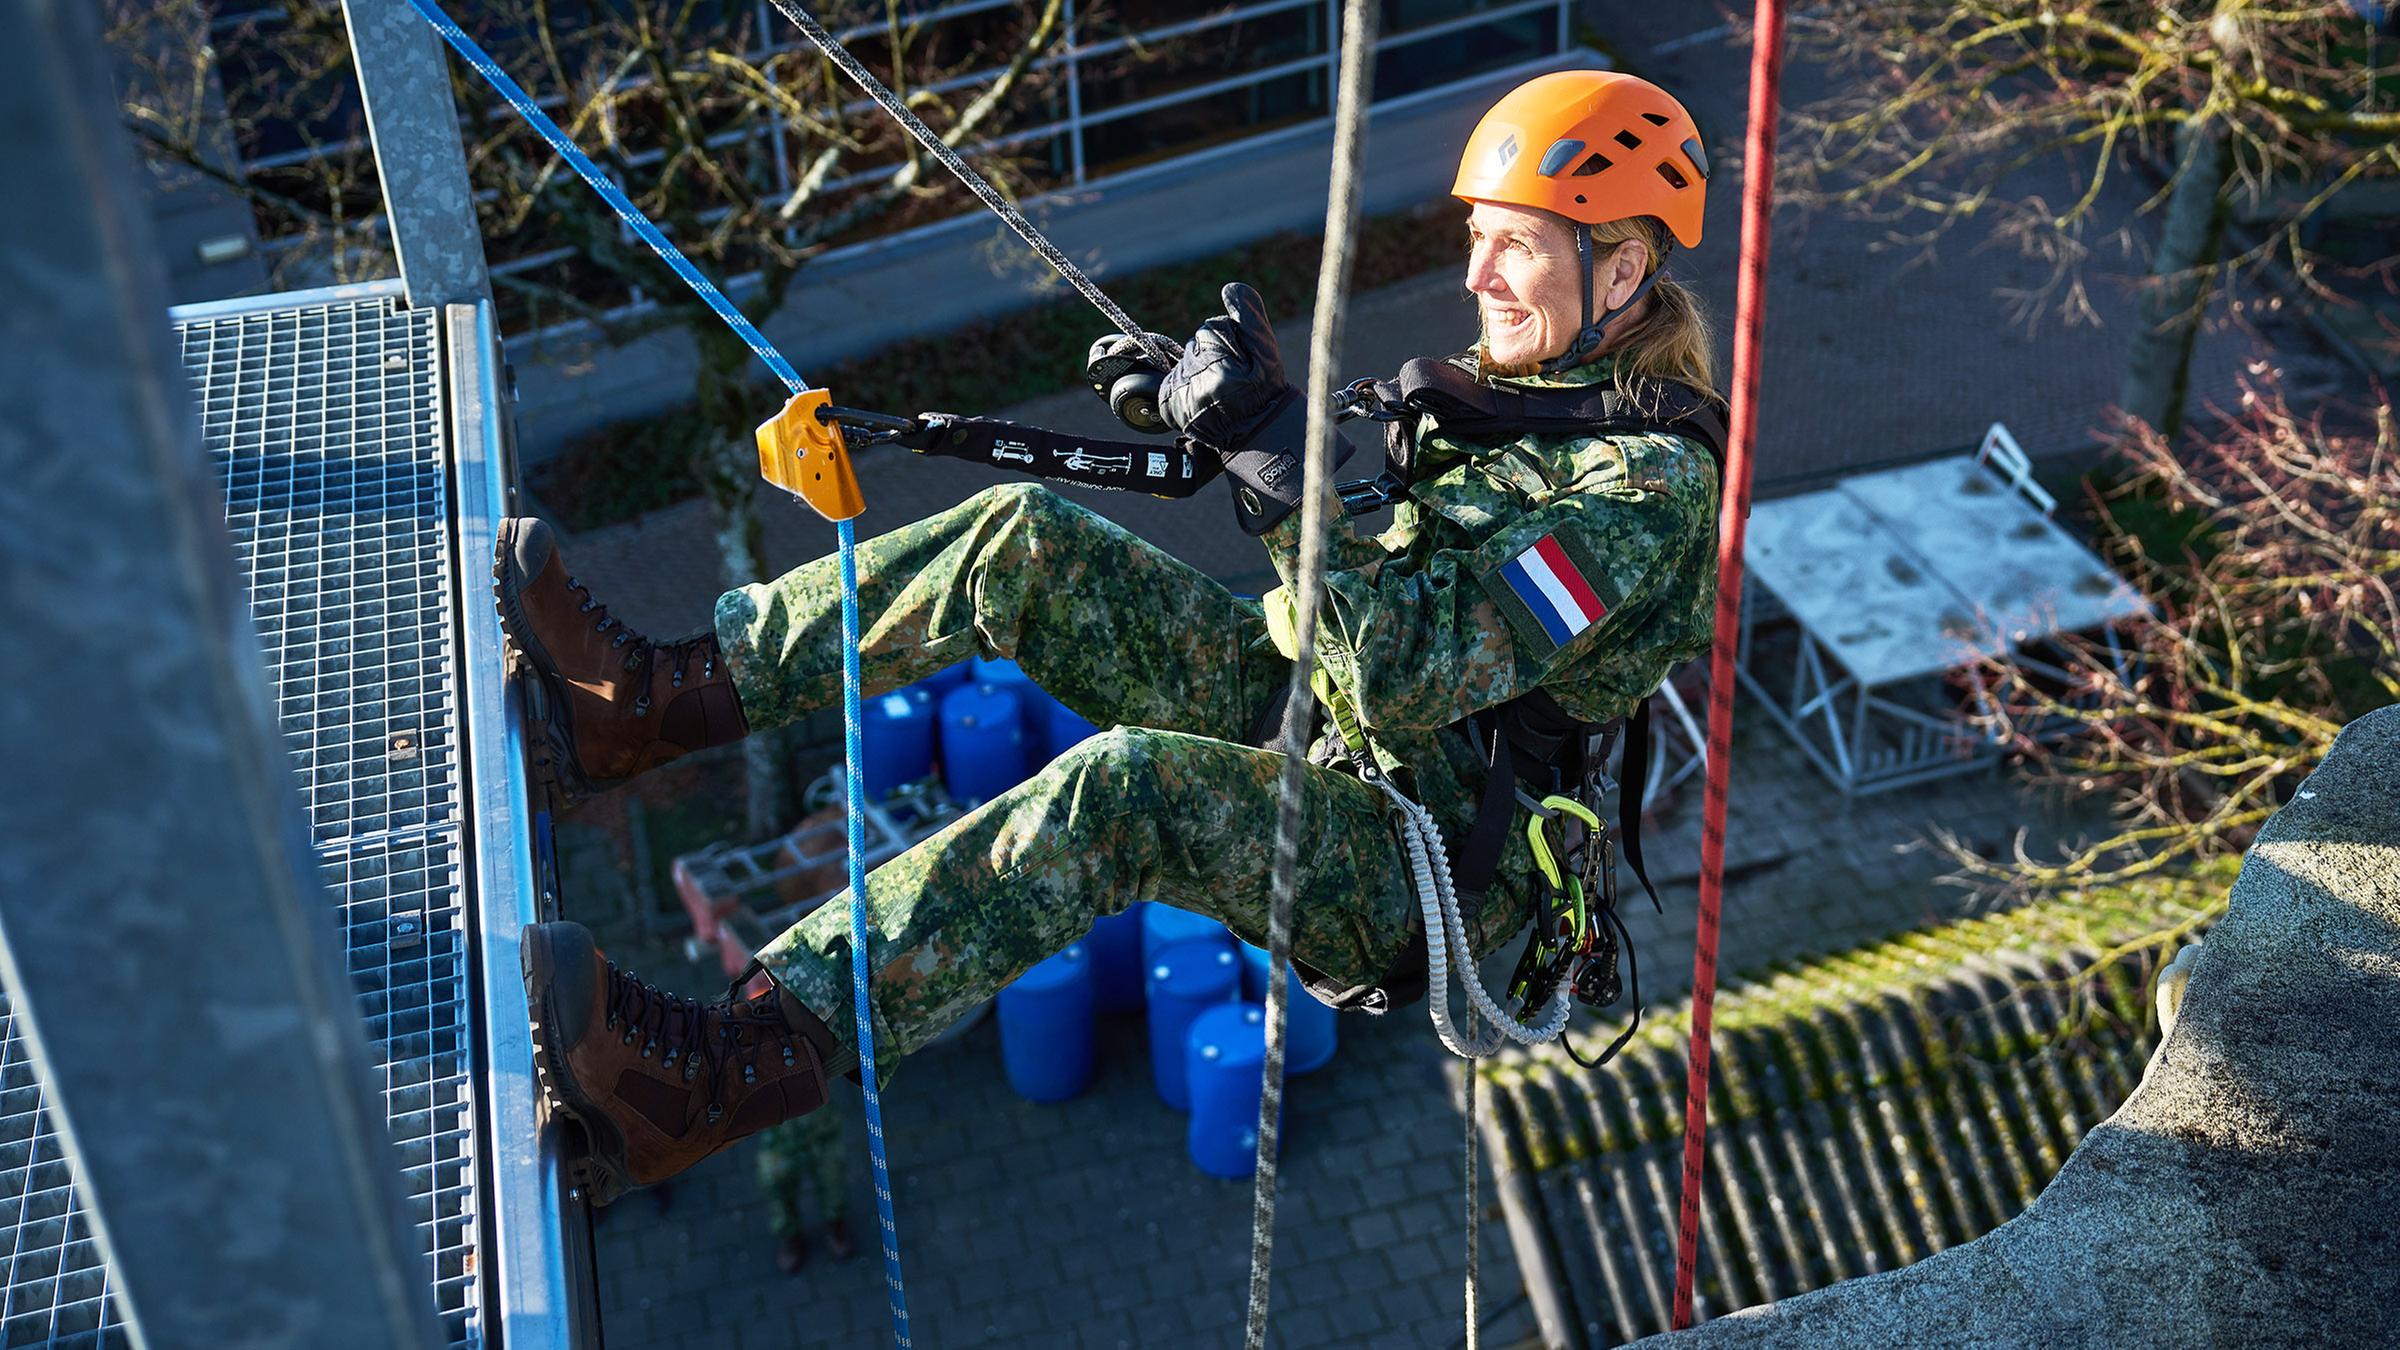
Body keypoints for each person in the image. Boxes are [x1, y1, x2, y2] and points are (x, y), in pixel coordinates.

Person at [507, 69, 1724, 1206]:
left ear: (1622, 268)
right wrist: (1219, 420)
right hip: (1333, 712)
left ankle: (715, 1076)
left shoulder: (1644, 494)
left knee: (1125, 793)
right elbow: (1365, 574)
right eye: (1476, 237)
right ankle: (637, 704)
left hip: (1433, 853)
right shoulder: (1526, 392)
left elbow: (1404, 671)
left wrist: (1273, 473)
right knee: (1016, 541)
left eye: (1517, 245)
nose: (1478, 275)